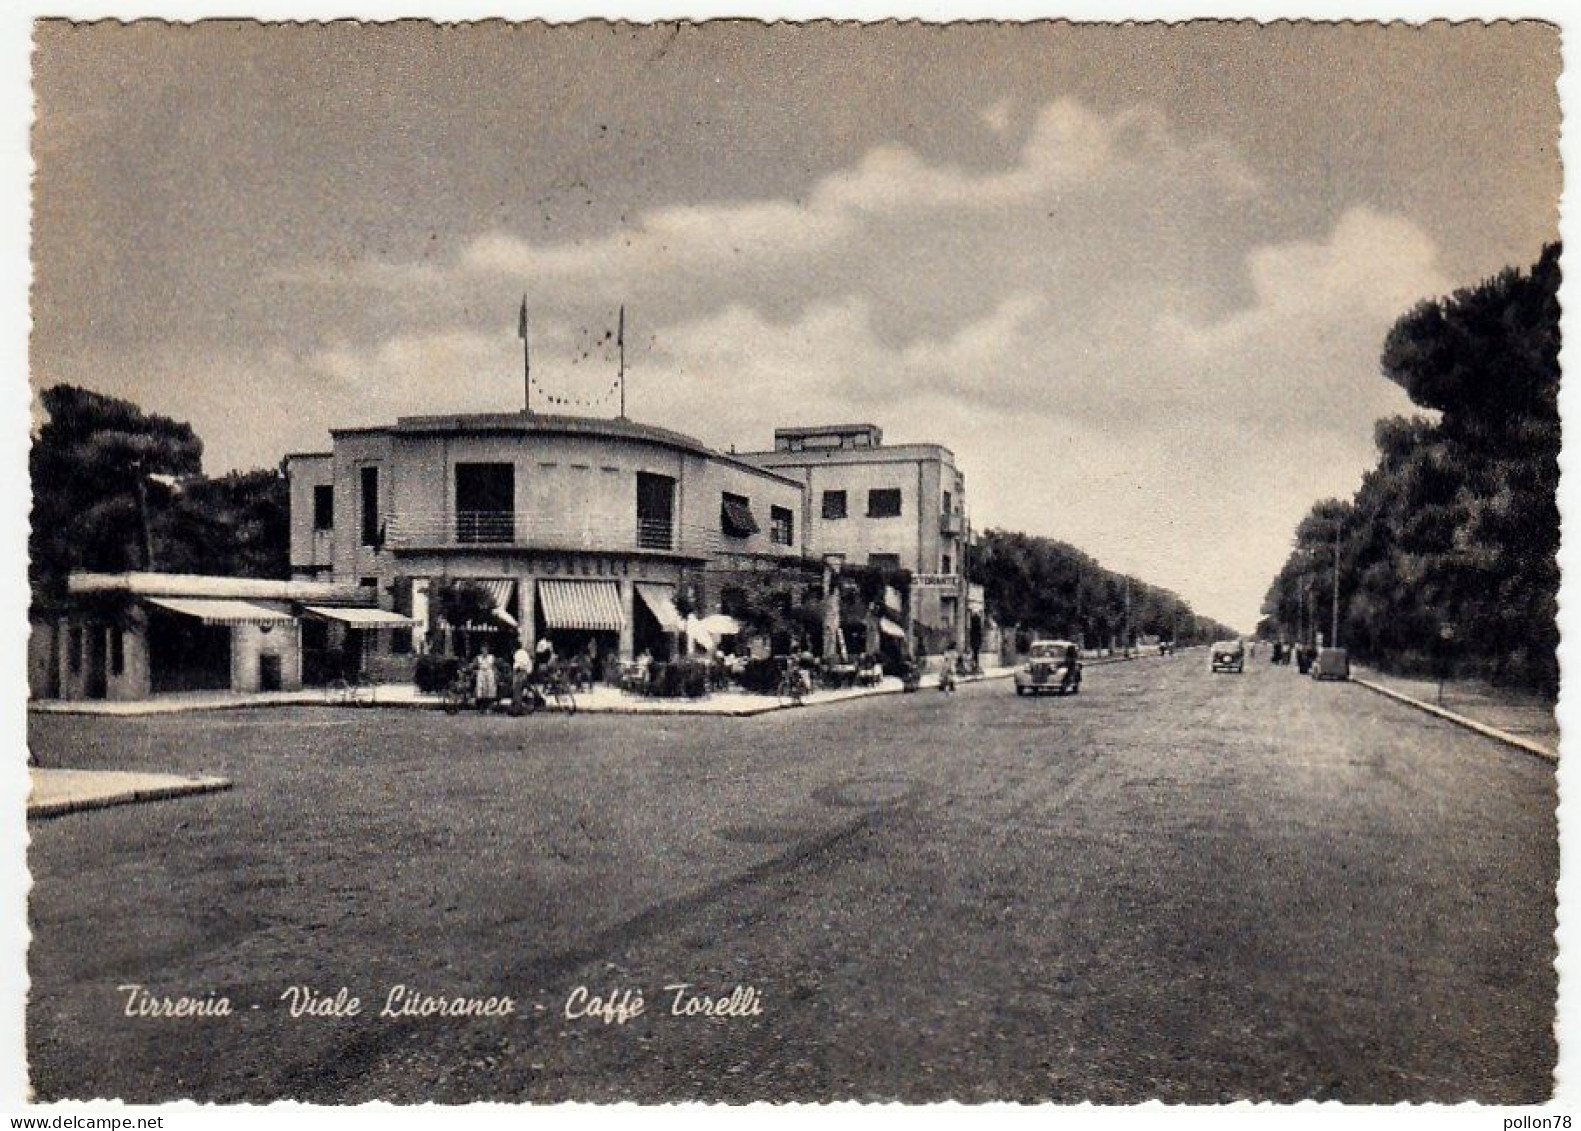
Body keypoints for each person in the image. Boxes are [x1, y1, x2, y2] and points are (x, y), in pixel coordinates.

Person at [473, 645, 499, 712]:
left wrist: (496, 675)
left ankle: (489, 707)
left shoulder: (491, 657)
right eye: (483, 650)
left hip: (489, 672)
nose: (484, 651)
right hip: (481, 672)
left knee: (490, 689)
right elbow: (474, 665)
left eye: (485, 650)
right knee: (481, 689)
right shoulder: (478, 657)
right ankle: (481, 707)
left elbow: (494, 666)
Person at [511, 642, 534, 715]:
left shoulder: (518, 653)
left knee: (517, 691)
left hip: (520, 672)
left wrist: (515, 672)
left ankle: (517, 709)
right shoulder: (525, 653)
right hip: (525, 673)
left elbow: (519, 665)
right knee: (521, 691)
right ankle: (520, 708)